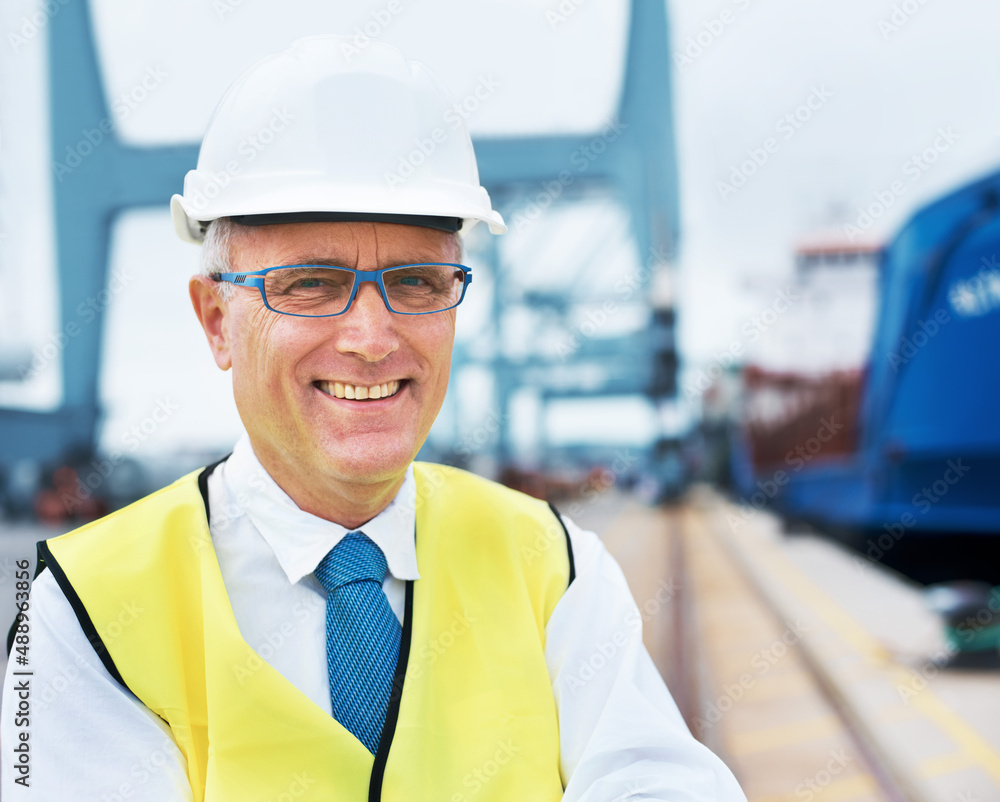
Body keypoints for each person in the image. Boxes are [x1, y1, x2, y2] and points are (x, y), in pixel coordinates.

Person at [1, 36, 746, 800]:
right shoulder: (80, 613)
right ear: (216, 320)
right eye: (312, 284)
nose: (370, 338)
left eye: (418, 281)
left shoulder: (557, 570)